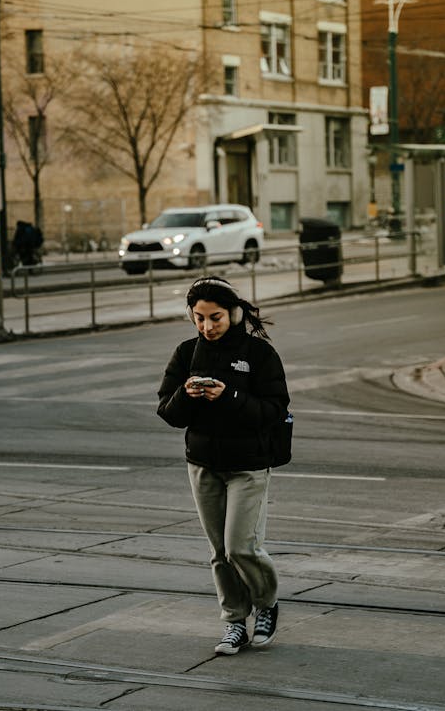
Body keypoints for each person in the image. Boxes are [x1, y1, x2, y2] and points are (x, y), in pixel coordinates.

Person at [157, 276, 290, 655]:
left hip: (249, 465)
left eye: (214, 317)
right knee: (219, 551)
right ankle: (234, 621)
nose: (207, 326)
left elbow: (274, 410)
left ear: (233, 314)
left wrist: (229, 395)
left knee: (240, 548)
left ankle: (266, 605)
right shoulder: (185, 354)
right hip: (202, 465)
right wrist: (187, 393)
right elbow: (168, 412)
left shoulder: (259, 355)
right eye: (198, 318)